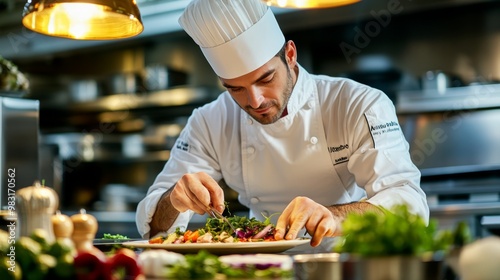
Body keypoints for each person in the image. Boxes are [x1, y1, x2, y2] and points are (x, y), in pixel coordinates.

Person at [136, 0, 429, 249]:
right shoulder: (210, 121)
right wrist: (174, 200)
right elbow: (153, 229)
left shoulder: (357, 103)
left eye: (265, 79)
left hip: (341, 264)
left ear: (290, 55)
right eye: (235, 88)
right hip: (258, 269)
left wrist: (332, 216)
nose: (255, 101)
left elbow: (409, 204)